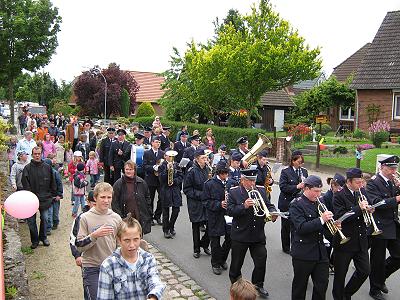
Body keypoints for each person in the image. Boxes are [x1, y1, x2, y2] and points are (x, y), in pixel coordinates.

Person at [227, 168, 277, 298]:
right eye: (249, 181)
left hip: (257, 235)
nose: (252, 184)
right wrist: (243, 206)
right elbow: (230, 211)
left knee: (261, 261)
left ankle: (258, 285)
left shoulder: (260, 190)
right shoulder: (234, 192)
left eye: (253, 181)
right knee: (236, 264)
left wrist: (273, 212)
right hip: (240, 235)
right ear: (242, 180)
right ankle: (236, 288)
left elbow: (268, 205)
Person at [97, 214, 166, 300]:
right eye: (127, 240)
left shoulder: (148, 259)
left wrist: (153, 296)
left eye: (136, 239)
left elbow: (156, 282)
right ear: (119, 240)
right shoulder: (108, 266)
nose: (132, 245)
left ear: (141, 237)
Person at [75, 182, 122, 300]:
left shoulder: (116, 218)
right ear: (95, 198)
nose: (106, 201)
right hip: (92, 267)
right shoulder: (85, 218)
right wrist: (94, 235)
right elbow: (79, 246)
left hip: (111, 267)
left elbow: (120, 243)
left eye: (109, 197)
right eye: (103, 197)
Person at [289, 175, 330, 300]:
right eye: (316, 191)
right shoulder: (296, 204)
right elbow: (301, 228)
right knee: (300, 287)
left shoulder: (321, 201)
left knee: (322, 285)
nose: (318, 194)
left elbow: (323, 225)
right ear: (306, 189)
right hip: (303, 252)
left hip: (320, 251)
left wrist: (332, 224)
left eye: (320, 191)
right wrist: (321, 220)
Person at [332, 168, 371, 300]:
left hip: (361, 240)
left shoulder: (362, 192)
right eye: (358, 182)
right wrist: (359, 209)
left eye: (361, 182)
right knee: (340, 275)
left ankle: (347, 293)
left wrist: (370, 209)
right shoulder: (339, 195)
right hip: (345, 241)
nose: (361, 185)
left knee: (365, 271)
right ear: (349, 181)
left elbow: (368, 206)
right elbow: (340, 217)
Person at [367, 155, 400, 300]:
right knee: (378, 260)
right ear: (382, 167)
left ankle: (381, 279)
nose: (394, 171)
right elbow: (376, 203)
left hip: (392, 223)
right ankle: (374, 289)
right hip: (379, 225)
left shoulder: (391, 181)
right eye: (391, 168)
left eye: (395, 168)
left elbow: (393, 199)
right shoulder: (373, 183)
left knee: (398, 256)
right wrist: (397, 198)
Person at [22, 146, 57, 249]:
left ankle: (43, 237)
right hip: (31, 199)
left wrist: (52, 194)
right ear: (32, 154)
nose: (37, 155)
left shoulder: (47, 167)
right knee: (31, 221)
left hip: (45, 198)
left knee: (45, 218)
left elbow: (52, 181)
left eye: (39, 153)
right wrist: (30, 196)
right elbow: (25, 183)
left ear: (41, 154)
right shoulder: (27, 168)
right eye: (35, 154)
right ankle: (35, 240)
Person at [203, 160, 231, 275]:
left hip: (228, 216)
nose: (226, 176)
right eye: (223, 173)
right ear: (218, 173)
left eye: (227, 173)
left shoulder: (230, 182)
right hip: (214, 216)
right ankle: (215, 263)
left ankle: (222, 259)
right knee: (215, 241)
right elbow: (205, 201)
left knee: (230, 240)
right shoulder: (209, 184)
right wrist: (219, 204)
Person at [278, 150, 308, 254]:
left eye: (302, 162)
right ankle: (286, 248)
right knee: (286, 226)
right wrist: (296, 186)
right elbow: (283, 187)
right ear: (293, 161)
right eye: (299, 162)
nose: (301, 164)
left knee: (296, 225)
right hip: (286, 202)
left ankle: (295, 245)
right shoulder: (285, 172)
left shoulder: (304, 171)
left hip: (299, 203)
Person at [183, 148, 211, 258]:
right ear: (197, 159)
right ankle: (196, 249)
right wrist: (201, 194)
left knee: (210, 225)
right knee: (196, 227)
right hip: (195, 203)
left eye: (206, 157)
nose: (205, 159)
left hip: (206, 203)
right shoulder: (191, 171)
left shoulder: (207, 169)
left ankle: (204, 244)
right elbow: (187, 189)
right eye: (203, 158)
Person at [112, 160, 152, 235]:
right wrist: (120, 216)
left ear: (134, 170)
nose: (128, 171)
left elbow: (147, 197)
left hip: (139, 215)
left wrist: (149, 211)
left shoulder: (141, 182)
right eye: (127, 169)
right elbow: (114, 202)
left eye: (131, 169)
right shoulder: (118, 184)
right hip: (125, 216)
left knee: (138, 236)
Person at [323, 173, 346, 273]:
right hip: (328, 227)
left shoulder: (339, 195)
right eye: (340, 188)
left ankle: (331, 263)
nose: (342, 190)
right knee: (327, 248)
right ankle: (325, 265)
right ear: (333, 186)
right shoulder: (327, 197)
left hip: (337, 225)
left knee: (336, 247)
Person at [159, 150, 184, 238]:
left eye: (171, 156)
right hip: (166, 190)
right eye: (168, 156)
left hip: (175, 190)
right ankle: (166, 230)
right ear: (165, 156)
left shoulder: (177, 165)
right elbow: (161, 179)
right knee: (165, 212)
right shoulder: (162, 166)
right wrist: (166, 169)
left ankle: (171, 226)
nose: (170, 157)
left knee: (176, 210)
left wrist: (174, 181)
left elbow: (181, 177)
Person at [143, 136, 165, 225]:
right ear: (152, 143)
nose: (158, 144)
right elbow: (144, 166)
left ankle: (158, 216)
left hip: (160, 180)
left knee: (162, 198)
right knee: (150, 199)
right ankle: (150, 217)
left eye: (159, 143)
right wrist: (153, 167)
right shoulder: (147, 153)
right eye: (156, 142)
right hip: (150, 179)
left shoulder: (162, 153)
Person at [43, 158, 63, 235]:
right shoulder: (44, 173)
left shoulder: (55, 173)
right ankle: (48, 227)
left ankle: (55, 222)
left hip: (55, 195)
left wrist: (59, 195)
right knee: (49, 212)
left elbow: (59, 184)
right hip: (48, 196)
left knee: (55, 211)